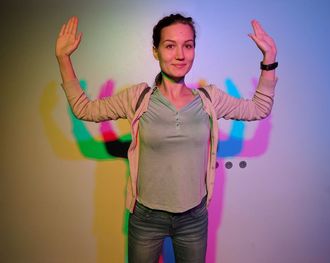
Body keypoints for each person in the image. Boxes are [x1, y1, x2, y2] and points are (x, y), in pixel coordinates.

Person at [55, 13, 278, 263]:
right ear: (156, 51)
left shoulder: (209, 99)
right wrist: (63, 59)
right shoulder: (138, 99)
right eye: (170, 46)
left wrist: (268, 60)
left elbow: (258, 109)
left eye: (188, 45)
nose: (180, 55)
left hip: (193, 219)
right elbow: (85, 109)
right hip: (146, 218)